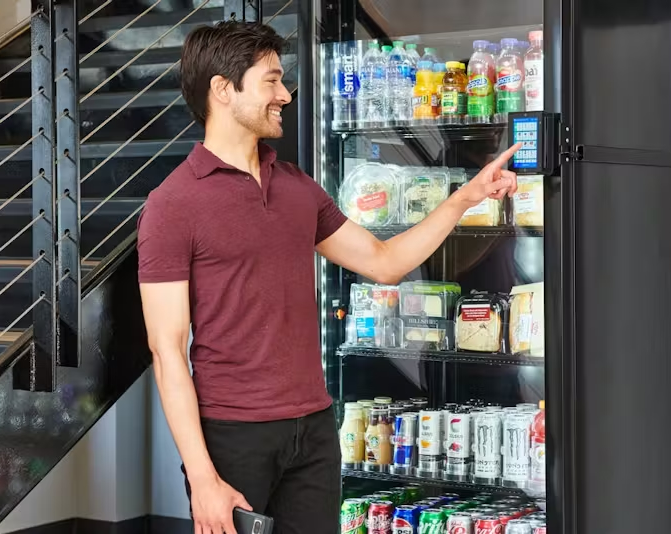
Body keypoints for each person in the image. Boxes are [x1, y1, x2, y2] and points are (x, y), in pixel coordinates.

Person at [136, 21, 521, 534]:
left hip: (315, 428)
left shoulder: (297, 188)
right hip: (233, 435)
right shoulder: (172, 206)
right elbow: (167, 351)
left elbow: (384, 262)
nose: (286, 94)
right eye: (271, 81)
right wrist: (203, 476)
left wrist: (462, 200)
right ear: (223, 90)